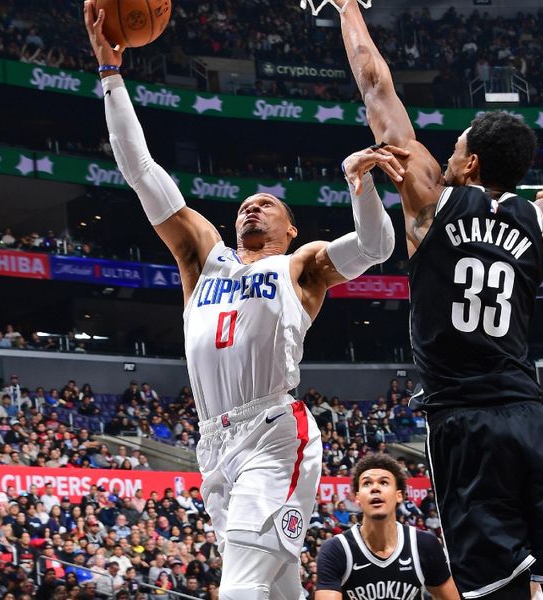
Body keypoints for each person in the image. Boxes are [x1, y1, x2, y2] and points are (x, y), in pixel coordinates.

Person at [84, 3, 400, 598]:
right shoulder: (204, 256)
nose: (252, 207)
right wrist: (110, 73)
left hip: (274, 431)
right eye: (245, 204)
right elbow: (140, 169)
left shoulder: (301, 266)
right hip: (213, 442)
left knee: (241, 588)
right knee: (276, 586)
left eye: (268, 203)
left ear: (291, 229)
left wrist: (361, 187)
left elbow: (378, 246)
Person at [330, 1, 543, 598]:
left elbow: (374, 83)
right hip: (530, 417)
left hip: (462, 421)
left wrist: (349, 8)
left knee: (494, 586)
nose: (445, 153)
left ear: (469, 162)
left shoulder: (430, 198)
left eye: (454, 147)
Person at [315, 454, 458, 600]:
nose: (375, 488)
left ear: (399, 495)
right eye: (367, 483)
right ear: (357, 497)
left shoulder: (424, 545)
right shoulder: (336, 549)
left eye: (383, 482)